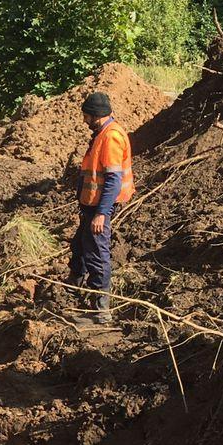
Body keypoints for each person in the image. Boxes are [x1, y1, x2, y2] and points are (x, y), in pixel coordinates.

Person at [69, 90, 134, 322]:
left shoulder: (111, 137)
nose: (84, 120)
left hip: (100, 209)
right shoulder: (102, 133)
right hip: (92, 207)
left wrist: (101, 214)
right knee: (81, 248)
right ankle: (74, 293)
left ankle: (101, 311)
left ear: (95, 116)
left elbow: (113, 180)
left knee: (97, 255)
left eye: (86, 116)